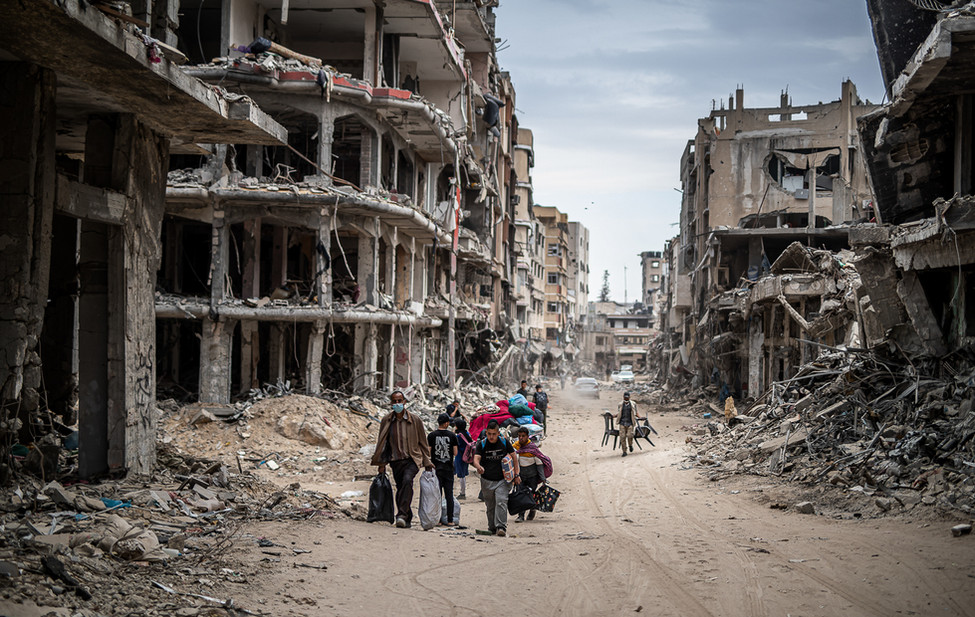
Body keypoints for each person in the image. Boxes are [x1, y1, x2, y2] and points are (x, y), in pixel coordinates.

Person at [371, 391, 434, 528]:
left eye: (400, 401)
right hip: (395, 461)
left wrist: (427, 462)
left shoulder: (415, 420)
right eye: (395, 401)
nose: (397, 404)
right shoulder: (387, 421)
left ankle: (401, 515)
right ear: (391, 403)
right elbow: (383, 443)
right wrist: (381, 463)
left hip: (411, 459)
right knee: (401, 488)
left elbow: (423, 442)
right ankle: (407, 517)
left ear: (405, 402)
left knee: (407, 481)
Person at [473, 420, 519, 537]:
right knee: (490, 505)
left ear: (498, 433)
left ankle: (501, 527)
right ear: (486, 433)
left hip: (502, 480)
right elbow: (476, 459)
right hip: (486, 480)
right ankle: (492, 527)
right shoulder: (482, 444)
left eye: (494, 434)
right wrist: (478, 467)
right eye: (489, 434)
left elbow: (514, 458)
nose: (491, 437)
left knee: (501, 501)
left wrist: (517, 474)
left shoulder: (504, 442)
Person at [512, 426, 553, 522]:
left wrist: (543, 478)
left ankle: (532, 509)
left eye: (523, 436)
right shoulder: (516, 447)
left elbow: (539, 464)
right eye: (519, 436)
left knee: (531, 494)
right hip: (521, 476)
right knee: (520, 494)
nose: (521, 438)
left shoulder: (532, 449)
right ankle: (521, 515)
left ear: (527, 436)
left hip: (532, 477)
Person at [428, 413, 458, 526]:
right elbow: (455, 452)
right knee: (449, 494)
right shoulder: (452, 436)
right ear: (446, 423)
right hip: (448, 468)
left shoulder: (431, 436)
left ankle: (439, 520)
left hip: (436, 469)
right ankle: (450, 520)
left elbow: (428, 452)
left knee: (437, 495)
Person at [615, 392, 644, 457]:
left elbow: (636, 412)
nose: (626, 398)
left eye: (627, 397)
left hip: (630, 423)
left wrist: (640, 417)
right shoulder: (620, 404)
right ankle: (624, 451)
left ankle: (630, 445)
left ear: (629, 397)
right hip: (622, 423)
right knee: (622, 437)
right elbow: (619, 413)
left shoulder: (633, 404)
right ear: (623, 397)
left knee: (630, 435)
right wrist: (614, 416)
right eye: (625, 397)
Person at [453, 418, 473, 500]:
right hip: (466, 457)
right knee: (462, 474)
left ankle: (462, 493)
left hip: (459, 457)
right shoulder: (467, 434)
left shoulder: (459, 436)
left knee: (461, 475)